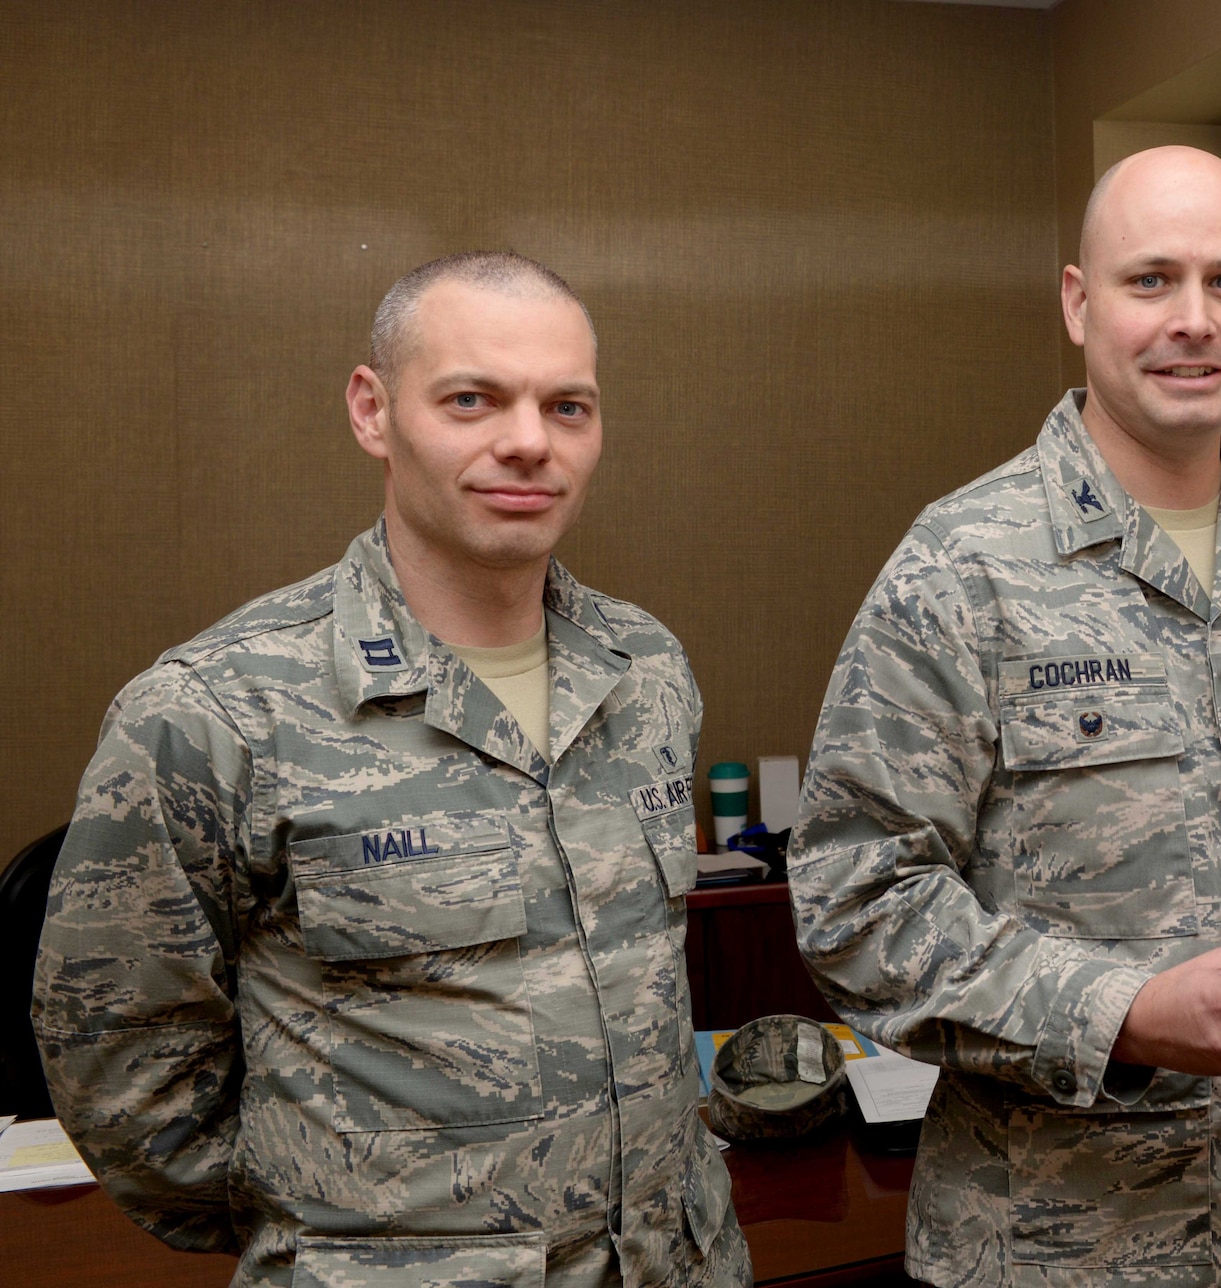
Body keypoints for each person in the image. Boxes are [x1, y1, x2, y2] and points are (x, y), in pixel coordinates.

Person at [33, 252, 750, 1287]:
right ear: (372, 412)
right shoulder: (216, 710)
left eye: (568, 406)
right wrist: (334, 1223)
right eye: (471, 399)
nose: (526, 442)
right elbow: (118, 1064)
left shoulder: (645, 672)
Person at [787, 143, 1221, 1288]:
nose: (1193, 320)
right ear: (1078, 302)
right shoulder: (961, 566)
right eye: (1149, 280)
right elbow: (852, 901)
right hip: (1074, 1250)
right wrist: (1119, 1012)